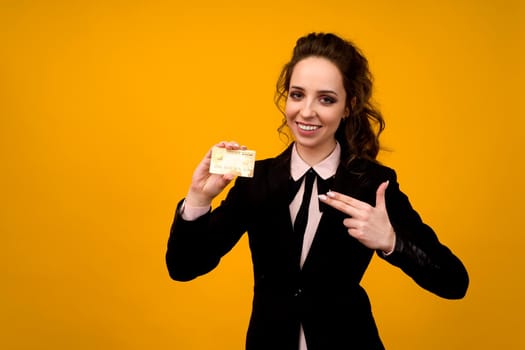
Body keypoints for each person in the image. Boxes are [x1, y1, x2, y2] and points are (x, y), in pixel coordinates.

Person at [166, 32, 469, 350]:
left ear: (348, 106)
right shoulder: (256, 179)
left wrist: (392, 241)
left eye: (326, 99)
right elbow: (184, 267)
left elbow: (453, 281)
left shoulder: (372, 183)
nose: (307, 111)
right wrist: (198, 199)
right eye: (297, 95)